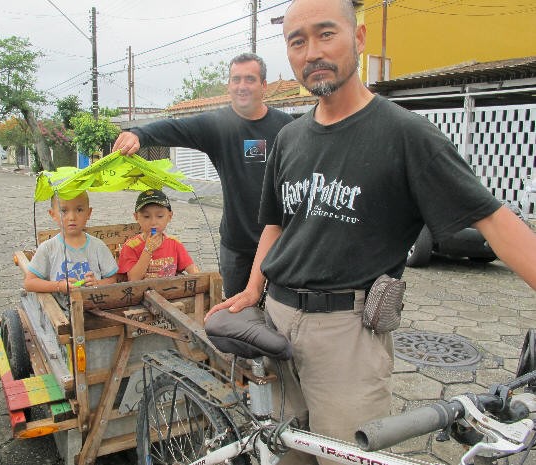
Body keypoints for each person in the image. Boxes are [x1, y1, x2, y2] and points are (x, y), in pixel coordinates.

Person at [207, 1, 536, 464]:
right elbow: (276, 223)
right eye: (297, 41)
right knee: (287, 453)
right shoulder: (290, 138)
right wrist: (251, 289)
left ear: (358, 39)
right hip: (276, 318)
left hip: (345, 334)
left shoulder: (406, 134)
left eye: (326, 34)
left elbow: (496, 222)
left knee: (343, 456)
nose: (312, 52)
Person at [112, 53, 294, 297]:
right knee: (236, 316)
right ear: (229, 86)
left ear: (263, 86)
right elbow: (176, 127)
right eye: (236, 79)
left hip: (280, 244)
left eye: (249, 79)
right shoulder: (218, 125)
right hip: (237, 247)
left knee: (278, 314)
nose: (242, 86)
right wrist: (138, 134)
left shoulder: (286, 126)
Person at [24, 192, 118, 305]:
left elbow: (112, 279)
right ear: (52, 214)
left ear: (89, 213)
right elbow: (29, 283)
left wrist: (97, 283)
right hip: (60, 310)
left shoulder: (98, 246)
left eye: (79, 210)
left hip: (93, 306)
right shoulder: (48, 248)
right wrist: (59, 286)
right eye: (64, 211)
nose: (72, 217)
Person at [119, 189, 200, 281]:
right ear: (136, 217)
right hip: (142, 293)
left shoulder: (174, 243)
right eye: (146, 216)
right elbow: (133, 278)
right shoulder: (131, 246)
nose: (153, 222)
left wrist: (198, 277)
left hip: (170, 292)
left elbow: (190, 267)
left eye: (160, 216)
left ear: (169, 216)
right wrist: (148, 250)